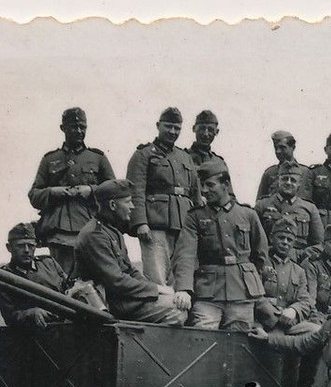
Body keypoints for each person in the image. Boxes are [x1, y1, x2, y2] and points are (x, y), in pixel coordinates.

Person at [74, 179, 188, 324]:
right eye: (128, 202)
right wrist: (156, 289)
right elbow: (116, 281)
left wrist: (158, 289)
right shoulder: (94, 235)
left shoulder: (110, 230)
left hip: (123, 298)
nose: (132, 206)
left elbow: (130, 270)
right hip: (110, 303)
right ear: (113, 205)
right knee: (176, 310)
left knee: (178, 304)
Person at [172, 161, 268, 331]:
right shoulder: (195, 217)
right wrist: (184, 289)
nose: (205, 190)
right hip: (208, 293)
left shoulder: (248, 214)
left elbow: (260, 255)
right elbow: (185, 254)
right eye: (202, 185)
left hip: (242, 293)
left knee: (240, 343)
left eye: (210, 185)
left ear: (226, 184)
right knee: (202, 338)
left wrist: (252, 284)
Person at [28, 107, 115, 277]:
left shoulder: (98, 158)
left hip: (91, 227)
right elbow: (34, 195)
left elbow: (115, 191)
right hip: (59, 231)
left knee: (93, 277)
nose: (79, 131)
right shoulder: (50, 159)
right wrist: (53, 192)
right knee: (63, 278)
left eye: (83, 127)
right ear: (63, 128)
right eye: (74, 127)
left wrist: (91, 190)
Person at [125, 107, 202, 286]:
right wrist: (140, 223)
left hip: (184, 225)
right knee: (157, 278)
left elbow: (195, 193)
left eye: (177, 128)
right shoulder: (143, 155)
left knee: (182, 276)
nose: (173, 132)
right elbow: (135, 191)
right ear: (158, 126)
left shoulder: (185, 157)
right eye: (168, 127)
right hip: (154, 225)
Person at [0, 222, 70, 328]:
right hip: (35, 333)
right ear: (9, 247)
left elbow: (70, 288)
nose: (26, 250)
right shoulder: (3, 277)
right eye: (20, 246)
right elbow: (10, 316)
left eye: (30, 245)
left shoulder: (49, 263)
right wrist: (30, 313)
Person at [255, 218, 317, 333]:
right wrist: (276, 316)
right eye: (281, 238)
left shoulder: (298, 271)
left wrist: (294, 310)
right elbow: (256, 297)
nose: (285, 242)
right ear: (271, 238)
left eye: (289, 240)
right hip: (263, 321)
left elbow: (305, 301)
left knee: (316, 331)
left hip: (290, 322)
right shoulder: (260, 263)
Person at [255, 161, 324, 253]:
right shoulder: (262, 205)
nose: (288, 182)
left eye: (293, 180)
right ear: (278, 180)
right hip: (269, 259)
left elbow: (319, 244)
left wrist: (300, 255)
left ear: (299, 183)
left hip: (299, 261)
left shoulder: (310, 208)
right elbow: (254, 239)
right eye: (284, 179)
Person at [256, 130, 312, 202]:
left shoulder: (306, 172)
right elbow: (259, 203)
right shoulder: (269, 173)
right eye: (276, 148)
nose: (278, 151)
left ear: (293, 147)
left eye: (282, 148)